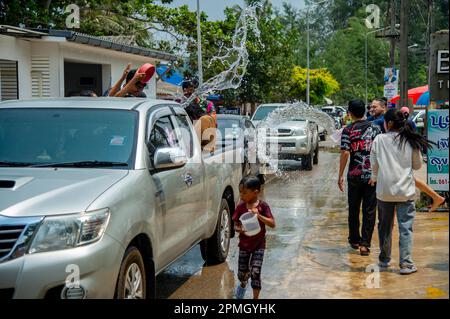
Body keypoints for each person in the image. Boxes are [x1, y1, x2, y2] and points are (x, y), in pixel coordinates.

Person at [369, 109, 434, 275]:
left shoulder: (379, 139)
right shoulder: (409, 140)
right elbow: (418, 165)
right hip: (405, 192)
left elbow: (374, 165)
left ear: (389, 123)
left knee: (384, 227)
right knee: (405, 228)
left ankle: (384, 260)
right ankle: (406, 264)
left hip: (384, 191)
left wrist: (375, 177)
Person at [339, 100, 381, 256]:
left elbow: (345, 152)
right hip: (372, 176)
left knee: (354, 209)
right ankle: (365, 244)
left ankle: (355, 240)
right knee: (369, 210)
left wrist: (340, 175)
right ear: (365, 111)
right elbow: (380, 151)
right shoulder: (376, 128)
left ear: (350, 113)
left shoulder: (348, 130)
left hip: (354, 176)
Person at [233, 176, 275, 299]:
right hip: (244, 245)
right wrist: (240, 229)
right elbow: (235, 224)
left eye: (244, 192)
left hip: (259, 245)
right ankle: (243, 282)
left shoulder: (263, 207)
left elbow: (272, 223)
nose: (241, 195)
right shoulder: (241, 207)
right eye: (240, 192)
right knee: (242, 274)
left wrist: (259, 216)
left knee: (255, 272)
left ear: (255, 192)